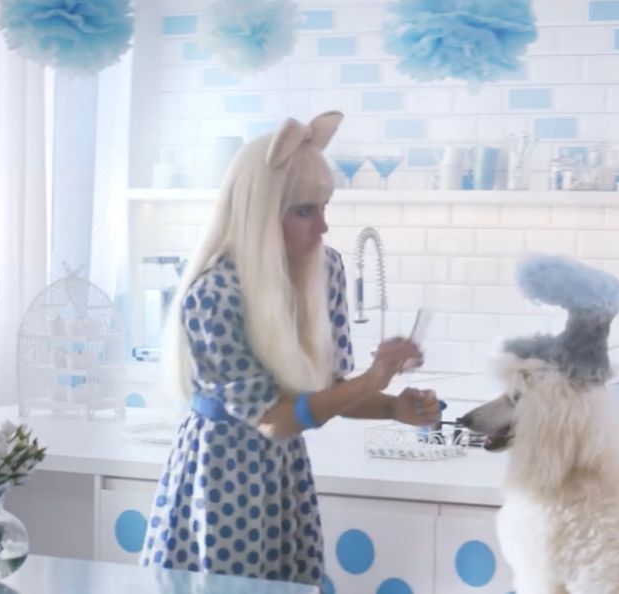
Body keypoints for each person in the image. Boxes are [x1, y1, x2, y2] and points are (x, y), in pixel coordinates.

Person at [140, 111, 441, 584]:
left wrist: (393, 407)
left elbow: (327, 394)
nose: (322, 226)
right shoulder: (213, 294)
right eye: (304, 210)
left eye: (324, 207)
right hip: (220, 477)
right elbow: (274, 419)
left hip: (284, 475)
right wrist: (373, 380)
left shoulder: (325, 272)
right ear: (260, 211)